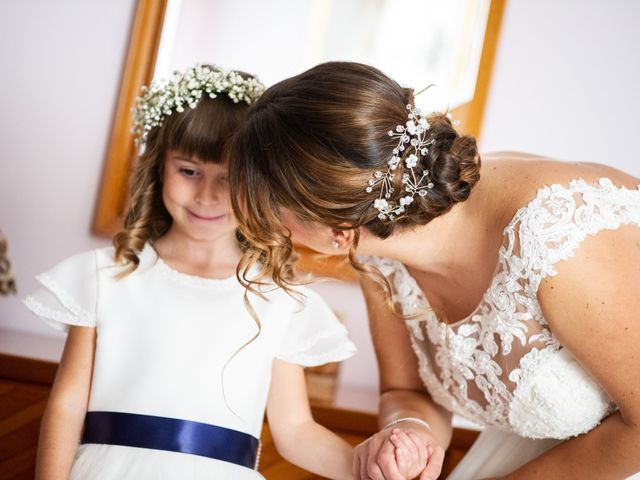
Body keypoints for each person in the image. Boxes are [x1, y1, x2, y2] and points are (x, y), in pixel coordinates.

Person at [229, 61, 640, 479]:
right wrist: (409, 433)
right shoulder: (378, 255)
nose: (278, 235)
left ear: (337, 229)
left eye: (274, 218)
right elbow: (405, 391)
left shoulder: (555, 236)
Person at [24, 64, 364, 480]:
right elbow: (67, 405)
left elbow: (295, 430)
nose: (207, 195)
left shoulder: (277, 300)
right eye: (189, 171)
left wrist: (364, 467)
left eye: (230, 177)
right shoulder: (105, 278)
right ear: (159, 168)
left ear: (260, 184)